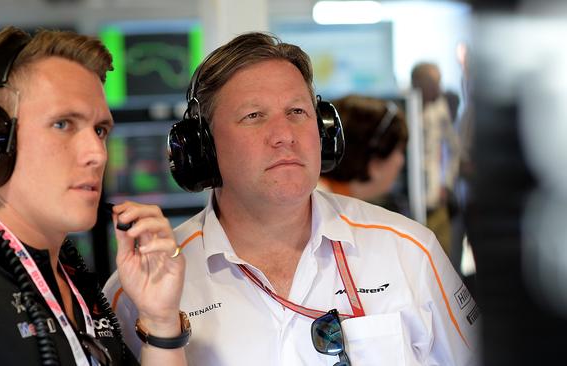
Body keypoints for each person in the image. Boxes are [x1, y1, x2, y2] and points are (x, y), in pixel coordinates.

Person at [105, 32, 480, 365]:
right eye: (254, 116)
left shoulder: (410, 252)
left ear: (323, 132)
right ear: (203, 147)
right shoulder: (140, 289)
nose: (284, 134)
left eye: (297, 112)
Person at [0, 26, 188, 366]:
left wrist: (161, 323)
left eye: (100, 130)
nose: (98, 154)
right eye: (63, 124)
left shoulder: (78, 285)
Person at [318, 94, 409, 215]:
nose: (401, 161)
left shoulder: (324, 202)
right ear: (375, 163)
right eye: (400, 150)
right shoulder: (325, 212)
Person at [411, 62, 462, 257]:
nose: (438, 88)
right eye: (434, 83)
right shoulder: (404, 106)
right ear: (418, 82)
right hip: (411, 201)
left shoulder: (439, 109)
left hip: (436, 196)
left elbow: (453, 149)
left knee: (443, 257)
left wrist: (446, 184)